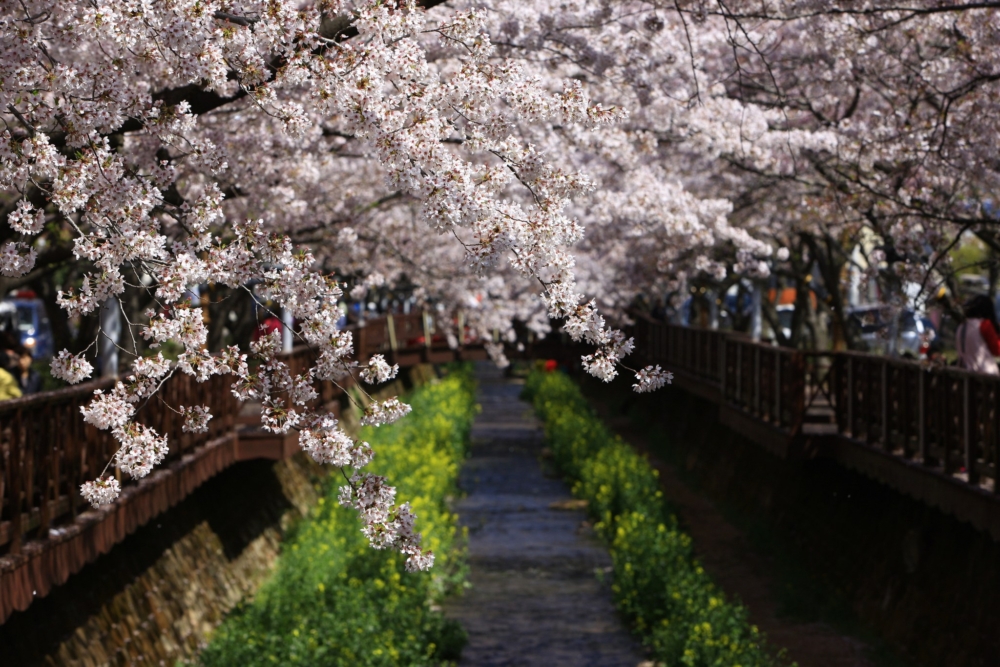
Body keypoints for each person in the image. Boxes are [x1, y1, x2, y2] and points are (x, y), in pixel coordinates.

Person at [956, 295, 1000, 375]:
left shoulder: (961, 325)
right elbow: (997, 350)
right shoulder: (985, 324)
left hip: (963, 373)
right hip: (985, 374)